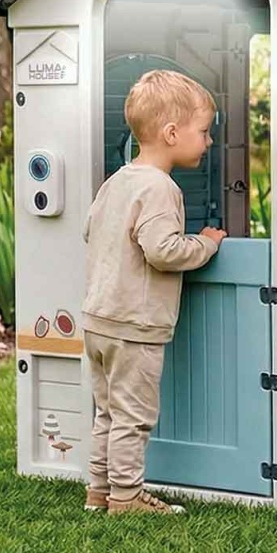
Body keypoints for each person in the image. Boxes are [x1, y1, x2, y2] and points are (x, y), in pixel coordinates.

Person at [81, 70, 227, 514]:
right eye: (203, 132)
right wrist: (205, 244)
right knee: (133, 417)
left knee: (107, 413)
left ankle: (99, 492)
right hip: (134, 324)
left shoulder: (117, 181)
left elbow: (90, 231)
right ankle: (127, 497)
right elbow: (162, 251)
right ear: (171, 133)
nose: (208, 142)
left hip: (99, 319)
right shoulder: (160, 187)